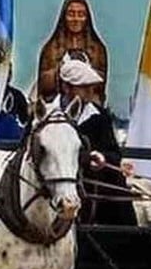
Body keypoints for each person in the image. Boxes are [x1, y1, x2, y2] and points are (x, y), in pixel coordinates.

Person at [57, 57, 135, 225]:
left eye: (90, 86)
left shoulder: (99, 117)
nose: (89, 91)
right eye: (83, 86)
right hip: (56, 178)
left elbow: (114, 153)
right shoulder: (48, 114)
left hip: (93, 180)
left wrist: (102, 157)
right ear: (66, 87)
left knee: (117, 187)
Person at [37, 0, 109, 103]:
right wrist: (61, 72)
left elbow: (101, 83)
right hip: (56, 104)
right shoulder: (51, 47)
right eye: (71, 14)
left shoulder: (97, 48)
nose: (76, 19)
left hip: (88, 102)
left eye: (81, 15)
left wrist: (83, 73)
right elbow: (43, 84)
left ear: (87, 18)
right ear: (64, 17)